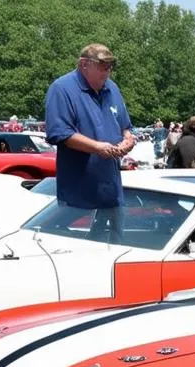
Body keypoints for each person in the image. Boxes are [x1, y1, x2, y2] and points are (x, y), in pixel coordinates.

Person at [44, 43, 134, 229]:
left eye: (110, 67)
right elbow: (60, 133)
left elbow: (125, 127)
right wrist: (97, 148)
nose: (107, 72)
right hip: (79, 191)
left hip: (111, 188)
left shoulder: (112, 88)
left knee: (116, 243)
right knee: (61, 239)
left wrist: (128, 140)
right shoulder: (62, 88)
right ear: (84, 64)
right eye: (102, 66)